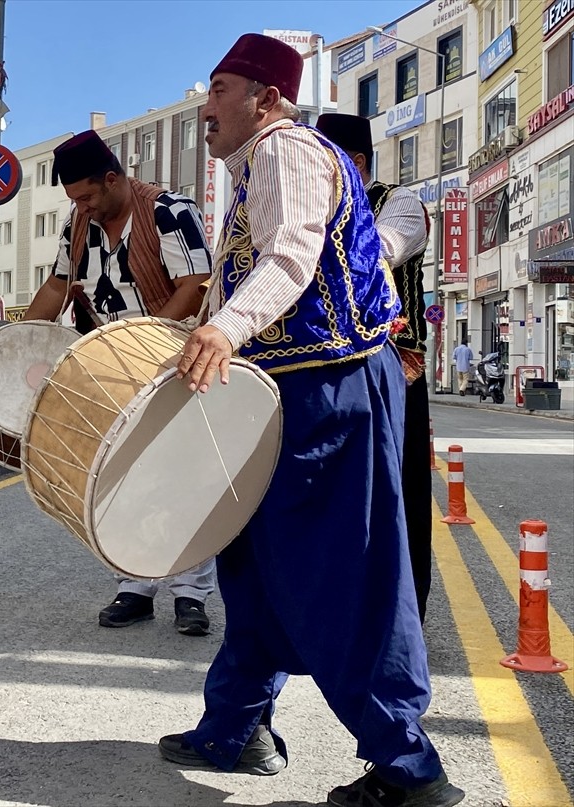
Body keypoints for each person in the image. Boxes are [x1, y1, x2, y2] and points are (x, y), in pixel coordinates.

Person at [160, 34, 463, 807]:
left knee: (345, 574)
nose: (207, 104)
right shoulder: (257, 166)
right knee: (257, 564)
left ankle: (409, 766)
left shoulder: (288, 149)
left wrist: (224, 329)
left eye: (220, 88)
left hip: (326, 389)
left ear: (264, 96)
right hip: (289, 389)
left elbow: (293, 258)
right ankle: (235, 724)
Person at [23, 129, 216, 636]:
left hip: (174, 361)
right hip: (111, 367)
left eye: (87, 195)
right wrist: (20, 343)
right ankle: (133, 584)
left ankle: (190, 594)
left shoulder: (171, 210)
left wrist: (147, 350)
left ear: (113, 179)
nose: (82, 206)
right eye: (74, 200)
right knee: (124, 477)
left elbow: (195, 288)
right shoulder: (80, 220)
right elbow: (59, 284)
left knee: (184, 478)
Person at [316, 112, 434, 622]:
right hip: (331, 371)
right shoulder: (310, 209)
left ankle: (403, 616)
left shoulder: (399, 204)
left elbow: (377, 253)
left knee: (398, 495)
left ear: (355, 162)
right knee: (339, 496)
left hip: (394, 371)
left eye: (321, 163)